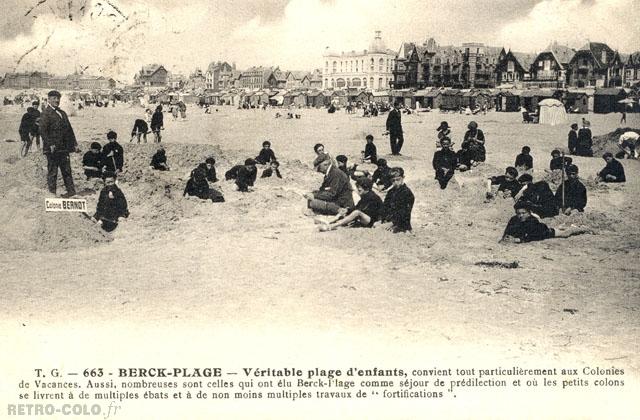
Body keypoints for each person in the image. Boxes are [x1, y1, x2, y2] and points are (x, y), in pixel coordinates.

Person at [40, 90, 78, 197]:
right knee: (53, 172)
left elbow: (69, 130)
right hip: (53, 149)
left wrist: (74, 143)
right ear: (49, 99)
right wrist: (50, 144)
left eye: (58, 98)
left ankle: (71, 192)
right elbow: (43, 131)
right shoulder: (45, 113)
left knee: (67, 170)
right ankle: (52, 194)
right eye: (54, 98)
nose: (56, 100)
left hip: (64, 148)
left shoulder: (63, 113)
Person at [500, 202, 590, 243]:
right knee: (561, 228)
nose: (521, 215)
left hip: (545, 232)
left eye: (524, 213)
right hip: (536, 231)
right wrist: (505, 237)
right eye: (518, 213)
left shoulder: (532, 220)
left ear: (529, 212)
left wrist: (519, 240)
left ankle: (581, 229)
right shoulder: (514, 219)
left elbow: (534, 236)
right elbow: (508, 230)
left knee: (566, 233)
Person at [380, 167, 414, 232]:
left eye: (398, 179)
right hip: (389, 221)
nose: (396, 182)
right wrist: (383, 220)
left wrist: (392, 224)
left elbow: (404, 213)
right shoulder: (391, 192)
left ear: (403, 177)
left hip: (401, 224)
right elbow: (385, 207)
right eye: (393, 180)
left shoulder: (407, 193)